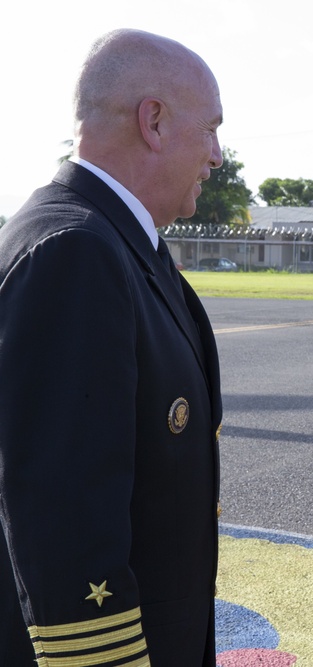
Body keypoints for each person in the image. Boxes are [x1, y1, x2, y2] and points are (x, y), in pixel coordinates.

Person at [0, 29, 224, 665]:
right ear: (152, 121)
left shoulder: (121, 245)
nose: (216, 154)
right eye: (210, 128)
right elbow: (65, 523)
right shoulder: (76, 253)